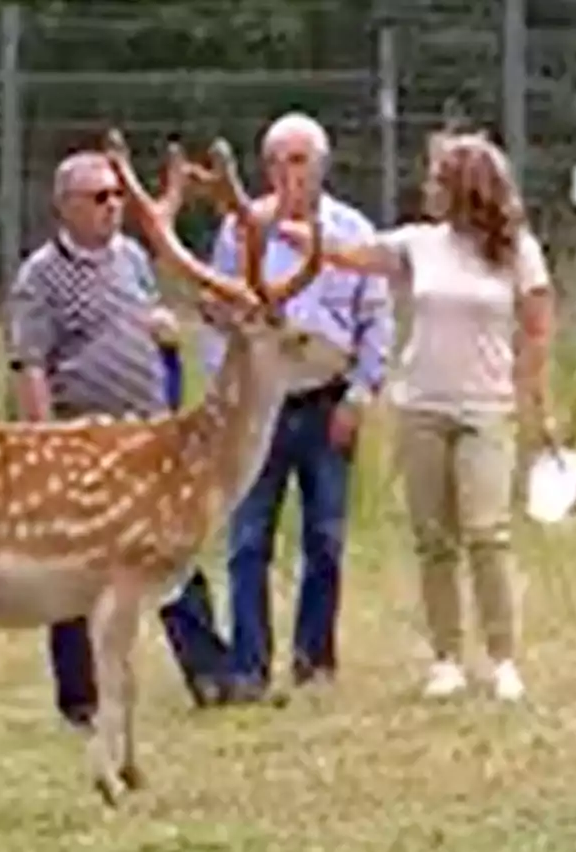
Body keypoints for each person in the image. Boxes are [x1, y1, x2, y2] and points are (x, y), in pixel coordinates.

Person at [275, 126, 559, 702]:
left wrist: (535, 402)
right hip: (422, 406)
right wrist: (282, 223)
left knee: (487, 532)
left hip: (485, 408)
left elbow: (537, 331)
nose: (427, 188)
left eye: (437, 179)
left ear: (466, 187)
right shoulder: (418, 245)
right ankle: (447, 658)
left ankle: (502, 658)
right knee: (434, 539)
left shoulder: (517, 251)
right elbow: (348, 253)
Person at [5, 150, 231, 726]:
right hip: (83, 443)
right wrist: (42, 447)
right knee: (75, 568)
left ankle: (213, 676)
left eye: (117, 197)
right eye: (99, 198)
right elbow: (29, 363)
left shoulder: (131, 258)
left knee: (173, 554)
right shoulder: (41, 277)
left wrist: (163, 327)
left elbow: (147, 317)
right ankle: (80, 697)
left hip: (146, 440)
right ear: (65, 206)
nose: (113, 208)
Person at [199, 112, 395, 703]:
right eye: (276, 162)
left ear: (321, 166)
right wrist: (225, 391)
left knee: (326, 537)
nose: (286, 173)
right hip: (258, 405)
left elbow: (376, 318)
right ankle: (250, 667)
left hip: (326, 401)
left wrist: (360, 395)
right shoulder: (241, 232)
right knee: (247, 539)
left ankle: (315, 663)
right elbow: (218, 312)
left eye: (298, 160)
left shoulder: (352, 231)